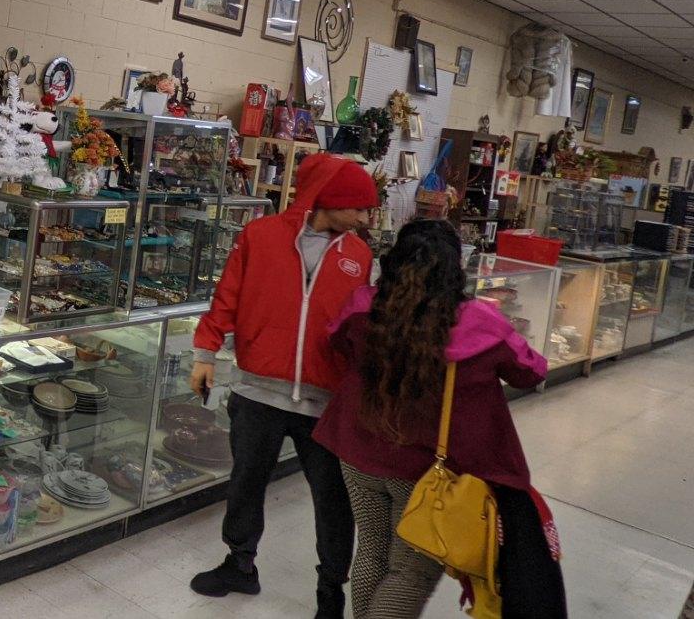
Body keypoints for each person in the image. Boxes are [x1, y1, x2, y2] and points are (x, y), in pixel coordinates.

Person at [314, 219, 563, 618]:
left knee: (372, 548)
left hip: (358, 451)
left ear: (394, 260)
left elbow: (337, 340)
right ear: (454, 268)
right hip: (427, 469)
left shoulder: (364, 305)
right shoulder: (481, 323)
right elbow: (531, 371)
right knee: (411, 570)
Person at [189, 152, 381, 618]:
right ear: (328, 200)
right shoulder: (260, 236)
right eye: (358, 208)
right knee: (246, 483)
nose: (364, 218)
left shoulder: (360, 255)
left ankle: (330, 591)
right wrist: (204, 352)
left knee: (332, 501)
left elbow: (364, 326)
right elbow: (227, 296)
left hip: (325, 401)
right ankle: (240, 563)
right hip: (257, 389)